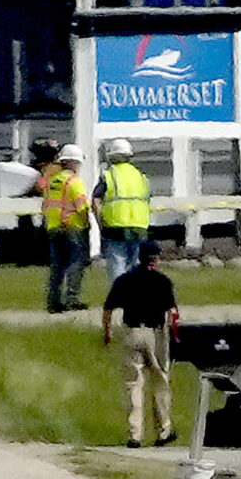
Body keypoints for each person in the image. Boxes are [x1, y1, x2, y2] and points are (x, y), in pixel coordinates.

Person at [102, 240, 181, 448]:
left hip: (132, 332)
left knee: (133, 385)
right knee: (160, 382)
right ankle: (164, 430)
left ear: (139, 256)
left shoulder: (125, 280)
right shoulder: (163, 281)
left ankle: (135, 434)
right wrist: (174, 337)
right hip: (155, 334)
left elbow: (108, 309)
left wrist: (107, 332)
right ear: (156, 258)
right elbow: (172, 313)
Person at [39, 143, 92, 314]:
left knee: (57, 267)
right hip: (72, 227)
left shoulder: (51, 181)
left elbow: (45, 204)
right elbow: (82, 206)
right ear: (74, 163)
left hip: (53, 227)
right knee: (76, 264)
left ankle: (53, 302)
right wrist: (88, 223)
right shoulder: (74, 182)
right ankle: (72, 299)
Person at [93, 139, 152, 282]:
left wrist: (100, 222)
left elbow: (95, 201)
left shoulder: (109, 175)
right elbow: (147, 199)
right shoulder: (140, 176)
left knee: (117, 264)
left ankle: (120, 297)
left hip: (115, 226)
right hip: (140, 225)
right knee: (135, 264)